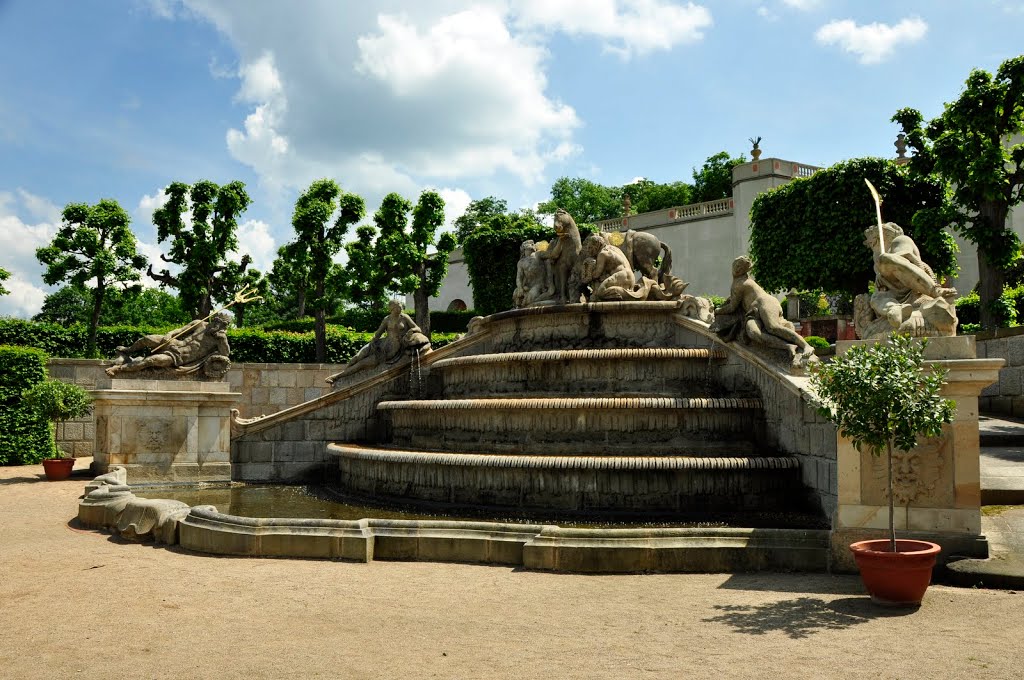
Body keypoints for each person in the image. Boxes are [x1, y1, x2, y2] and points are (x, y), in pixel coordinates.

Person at [715, 256, 815, 363]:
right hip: (753, 312)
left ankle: (806, 346)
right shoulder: (737, 283)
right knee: (753, 333)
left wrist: (717, 310)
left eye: (740, 267)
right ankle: (788, 346)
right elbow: (733, 302)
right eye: (736, 265)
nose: (737, 268)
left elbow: (732, 307)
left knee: (772, 327)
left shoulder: (741, 284)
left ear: (745, 270)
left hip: (764, 302)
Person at [863, 223, 956, 333]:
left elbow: (905, 254)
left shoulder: (901, 240)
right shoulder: (878, 254)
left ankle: (935, 290)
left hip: (915, 288)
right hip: (893, 294)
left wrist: (884, 264)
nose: (871, 245)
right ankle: (894, 309)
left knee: (886, 259)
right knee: (876, 298)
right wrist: (881, 274)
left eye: (873, 241)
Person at [325, 300, 430, 384]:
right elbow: (378, 333)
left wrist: (411, 331)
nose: (401, 307)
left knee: (361, 364)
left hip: (392, 350)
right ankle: (343, 375)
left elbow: (418, 328)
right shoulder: (387, 319)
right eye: (398, 306)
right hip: (382, 343)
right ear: (392, 308)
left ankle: (337, 377)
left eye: (401, 306)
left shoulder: (405, 317)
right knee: (357, 357)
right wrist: (373, 343)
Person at [106, 312, 231, 377]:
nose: (217, 326)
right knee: (147, 339)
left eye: (221, 325)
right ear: (213, 320)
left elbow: (225, 354)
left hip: (178, 358)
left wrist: (223, 340)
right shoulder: (200, 323)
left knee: (151, 360)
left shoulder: (219, 339)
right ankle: (128, 350)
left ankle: (118, 369)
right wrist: (169, 334)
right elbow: (180, 330)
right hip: (174, 343)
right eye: (216, 322)